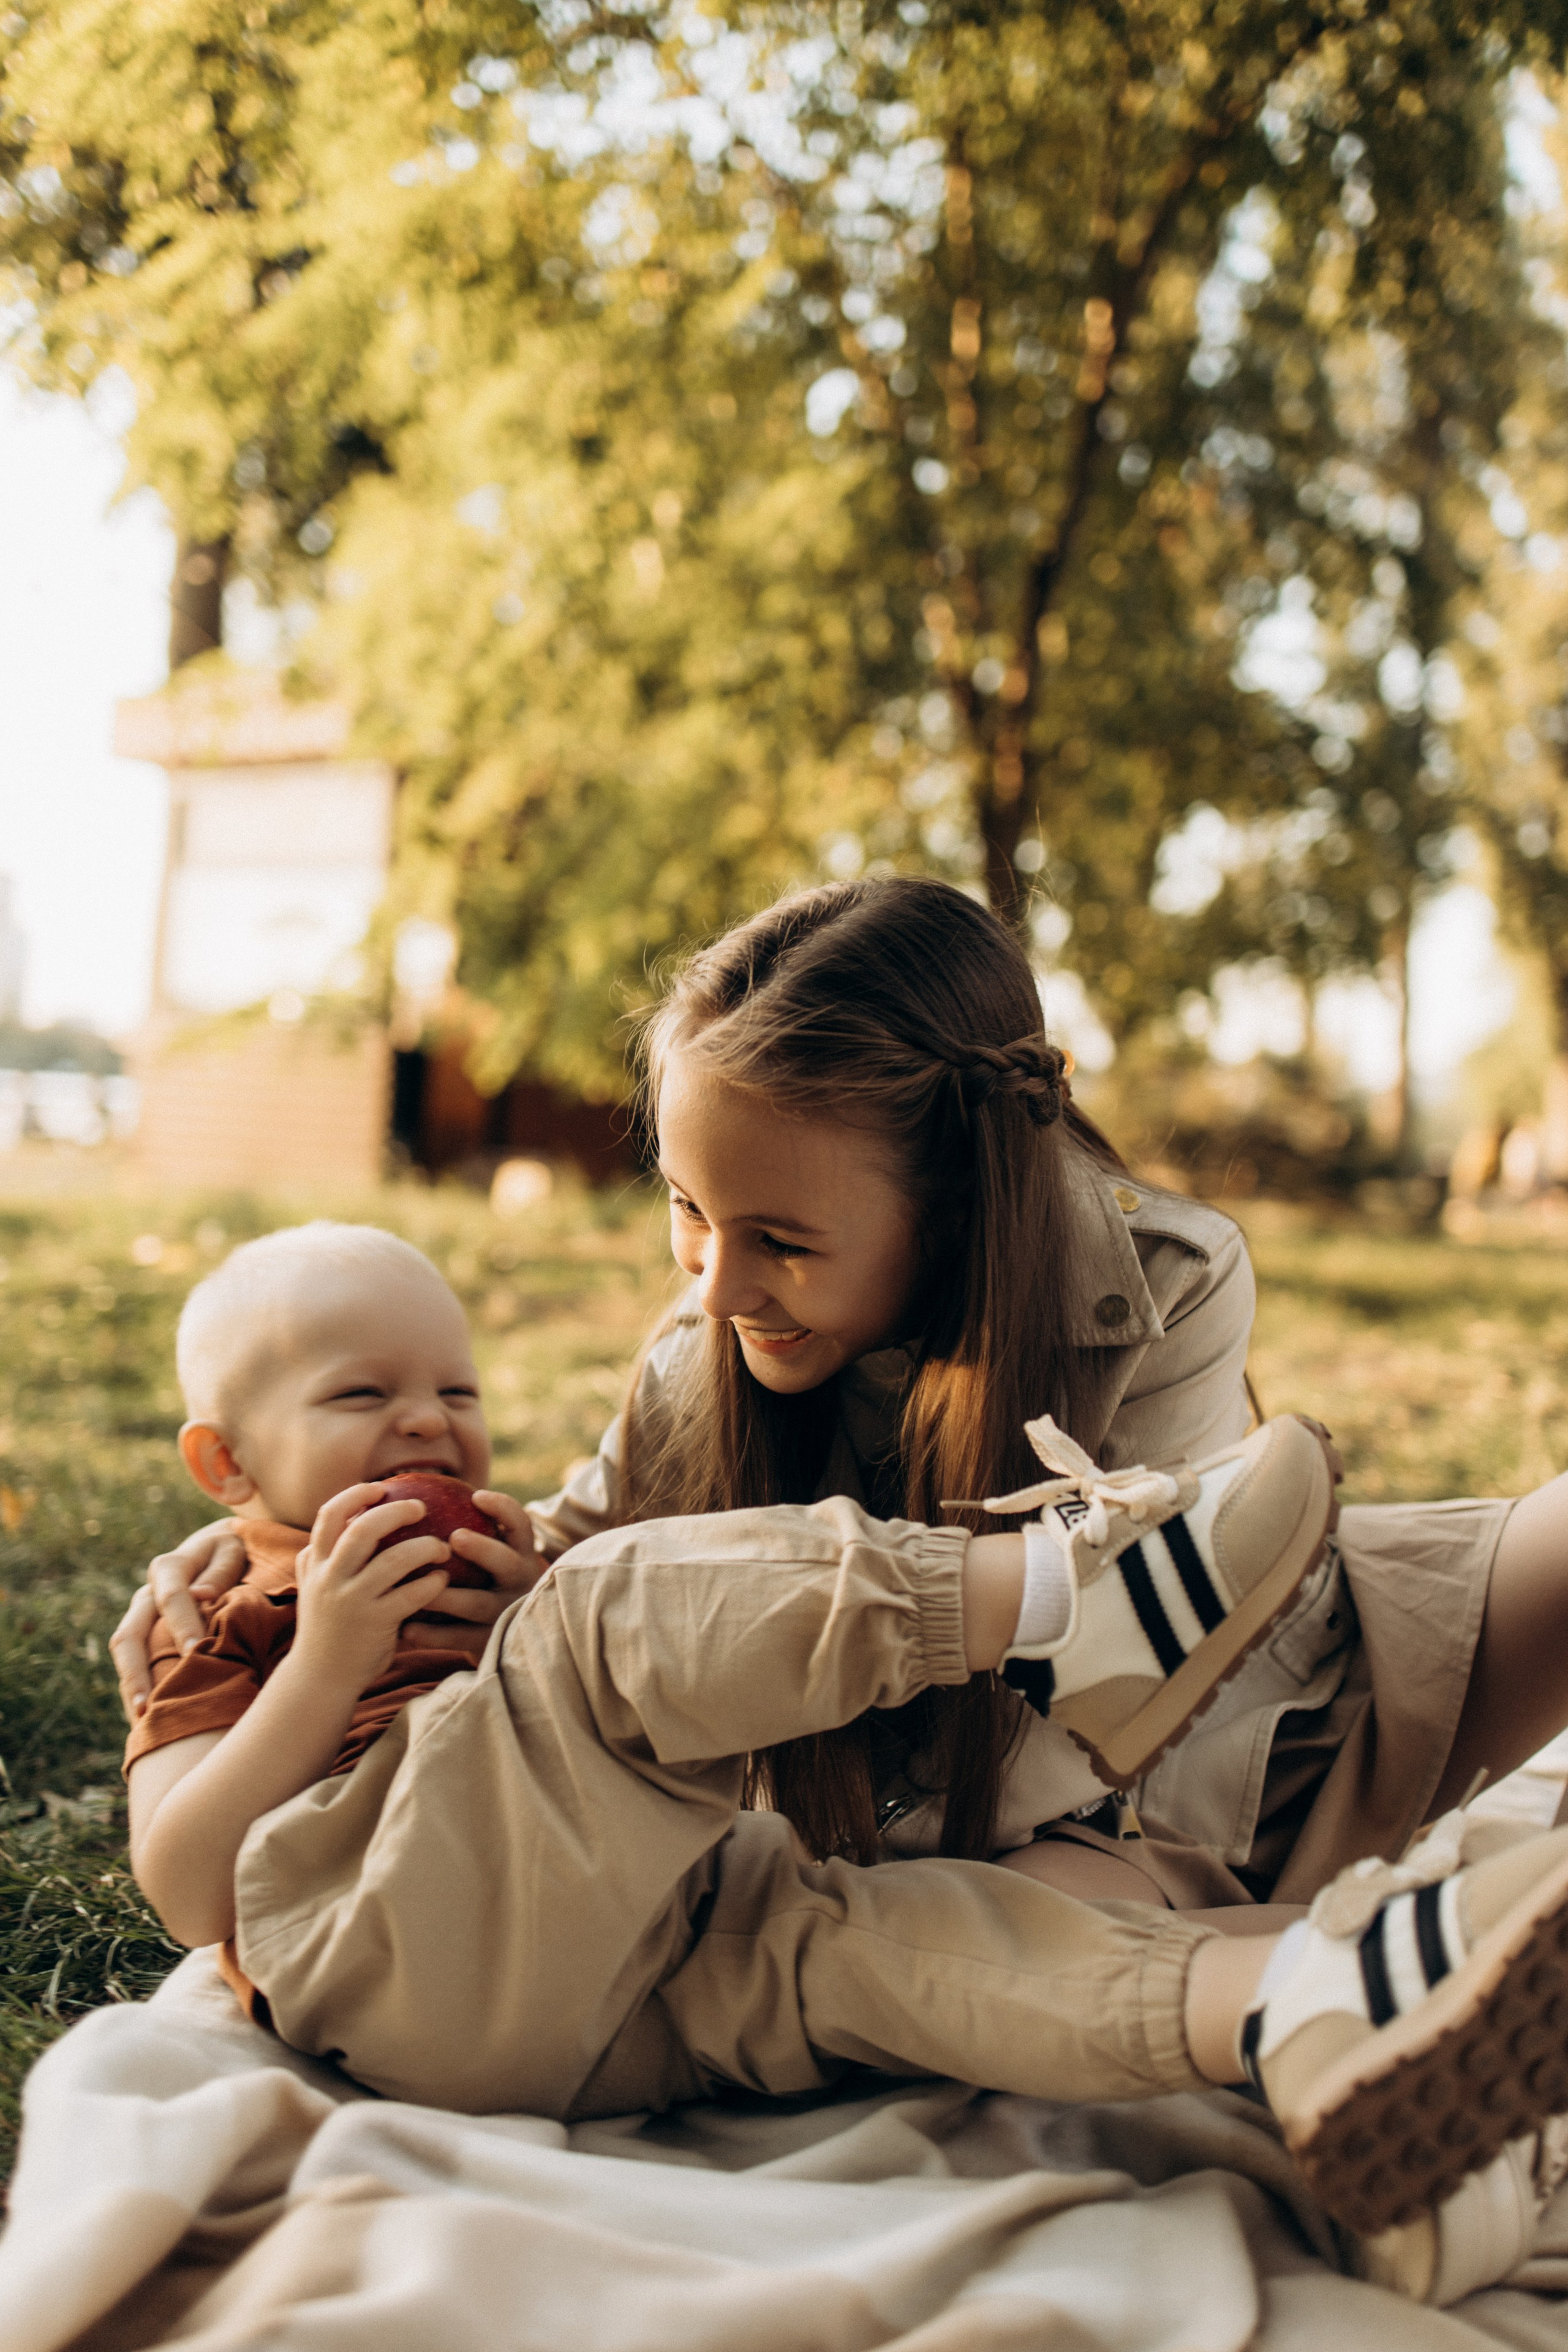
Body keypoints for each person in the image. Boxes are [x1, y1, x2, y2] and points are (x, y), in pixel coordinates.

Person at [120, 1220, 1568, 2304]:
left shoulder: (494, 1560)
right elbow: (188, 1882)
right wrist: (318, 1666)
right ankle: (1066, 1611)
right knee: (603, 1614)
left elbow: (599, 1653)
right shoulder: (226, 1610)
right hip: (372, 1955)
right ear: (226, 1466)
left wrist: (513, 1621)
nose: (430, 1423)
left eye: (456, 1388)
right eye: (362, 1398)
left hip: (612, 1998)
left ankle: (1313, 2010)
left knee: (873, 1944)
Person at [115, 878, 1568, 1917]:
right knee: (1017, 1972)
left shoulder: (1162, 1286)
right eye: (688, 1210)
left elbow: (1150, 1678)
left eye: (780, 1243)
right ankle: (1360, 2000)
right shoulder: (707, 1350)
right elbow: (584, 1553)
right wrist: (282, 1552)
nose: (710, 1282)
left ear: (951, 1209)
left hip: (1211, 1740)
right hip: (1021, 1843)